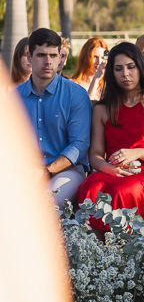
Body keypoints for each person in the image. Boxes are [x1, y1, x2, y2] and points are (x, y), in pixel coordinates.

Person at [77, 42, 144, 232]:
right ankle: (95, 253)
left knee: (122, 191)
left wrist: (136, 153)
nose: (125, 74)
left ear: (140, 68)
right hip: (112, 171)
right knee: (89, 186)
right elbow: (95, 154)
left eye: (131, 67)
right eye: (118, 69)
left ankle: (122, 250)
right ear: (111, 73)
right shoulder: (102, 108)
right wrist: (107, 168)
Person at [17, 28, 92, 209]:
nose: (48, 61)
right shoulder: (14, 99)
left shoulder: (76, 95)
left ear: (60, 57)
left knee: (45, 204)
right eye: (41, 55)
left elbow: (79, 145)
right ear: (29, 56)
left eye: (53, 55)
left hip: (68, 171)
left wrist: (45, 171)